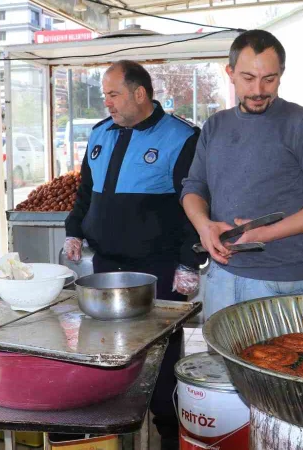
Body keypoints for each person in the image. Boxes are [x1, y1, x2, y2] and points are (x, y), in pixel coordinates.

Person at [63, 60, 203, 450]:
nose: (105, 102)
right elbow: (85, 194)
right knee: (109, 352)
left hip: (158, 271)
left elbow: (195, 204)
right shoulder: (99, 134)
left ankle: (170, 434)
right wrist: (74, 231)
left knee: (160, 358)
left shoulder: (181, 137)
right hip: (107, 267)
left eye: (113, 94)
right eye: (104, 94)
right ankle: (113, 432)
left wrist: (189, 262)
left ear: (139, 93)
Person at [181, 30, 303, 320]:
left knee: (273, 364)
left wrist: (265, 233)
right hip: (220, 276)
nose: (258, 89)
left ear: (281, 74)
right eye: (248, 78)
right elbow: (194, 187)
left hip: (279, 282)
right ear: (230, 72)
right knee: (219, 364)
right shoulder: (215, 126)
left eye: (269, 79)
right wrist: (203, 225)